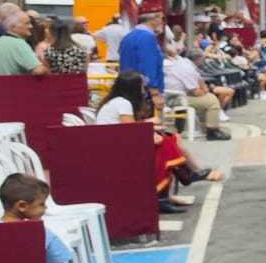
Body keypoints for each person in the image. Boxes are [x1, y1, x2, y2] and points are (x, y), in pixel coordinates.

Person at [94, 70, 219, 209]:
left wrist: (150, 124)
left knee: (171, 138)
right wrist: (150, 125)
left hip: (114, 143)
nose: (144, 90)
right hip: (116, 148)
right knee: (165, 144)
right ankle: (171, 188)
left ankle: (184, 177)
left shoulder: (116, 101)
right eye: (142, 86)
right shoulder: (123, 103)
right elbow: (130, 131)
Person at [164, 42, 234, 141]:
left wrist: (205, 90)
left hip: (175, 96)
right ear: (199, 59)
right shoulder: (188, 69)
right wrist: (206, 93)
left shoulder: (184, 63)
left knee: (210, 98)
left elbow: (200, 81)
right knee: (212, 102)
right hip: (176, 98)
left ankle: (208, 126)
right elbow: (197, 92)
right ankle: (212, 131)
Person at [118, 12, 167, 113]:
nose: (162, 22)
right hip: (142, 92)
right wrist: (155, 93)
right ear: (153, 19)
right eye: (161, 19)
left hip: (127, 87)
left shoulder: (129, 36)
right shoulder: (147, 38)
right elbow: (148, 65)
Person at [0, 9, 45, 76]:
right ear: (13, 27)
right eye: (27, 23)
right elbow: (39, 70)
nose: (31, 26)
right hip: (15, 85)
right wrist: (46, 66)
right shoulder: (19, 44)